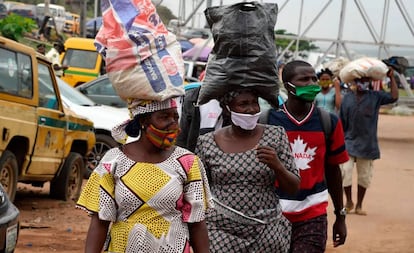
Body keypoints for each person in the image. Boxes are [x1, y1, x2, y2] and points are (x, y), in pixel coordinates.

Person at [76, 98, 213, 253]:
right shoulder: (113, 161)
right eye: (164, 117)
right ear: (143, 121)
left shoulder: (187, 162)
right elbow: (100, 221)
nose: (174, 124)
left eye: (175, 117)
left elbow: (197, 223)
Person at [195, 88, 300, 252]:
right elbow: (199, 191)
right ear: (227, 108)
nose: (251, 109)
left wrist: (277, 165)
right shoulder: (207, 142)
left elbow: (293, 188)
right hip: (221, 231)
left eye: (254, 103)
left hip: (267, 231)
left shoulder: (275, 135)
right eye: (243, 104)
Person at [268, 60, 349, 252]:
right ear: (288, 86)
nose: (312, 83)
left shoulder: (328, 122)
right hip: (272, 213)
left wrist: (340, 215)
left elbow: (333, 171)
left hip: (313, 214)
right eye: (304, 79)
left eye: (314, 78)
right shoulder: (268, 121)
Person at [339, 68, 398, 215]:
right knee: (345, 172)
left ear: (370, 83)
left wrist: (392, 78)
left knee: (364, 176)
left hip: (367, 143)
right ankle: (349, 202)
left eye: (365, 81)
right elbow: (341, 121)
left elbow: (394, 97)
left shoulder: (375, 97)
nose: (362, 83)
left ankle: (359, 205)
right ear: (355, 81)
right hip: (349, 141)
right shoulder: (348, 98)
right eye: (360, 80)